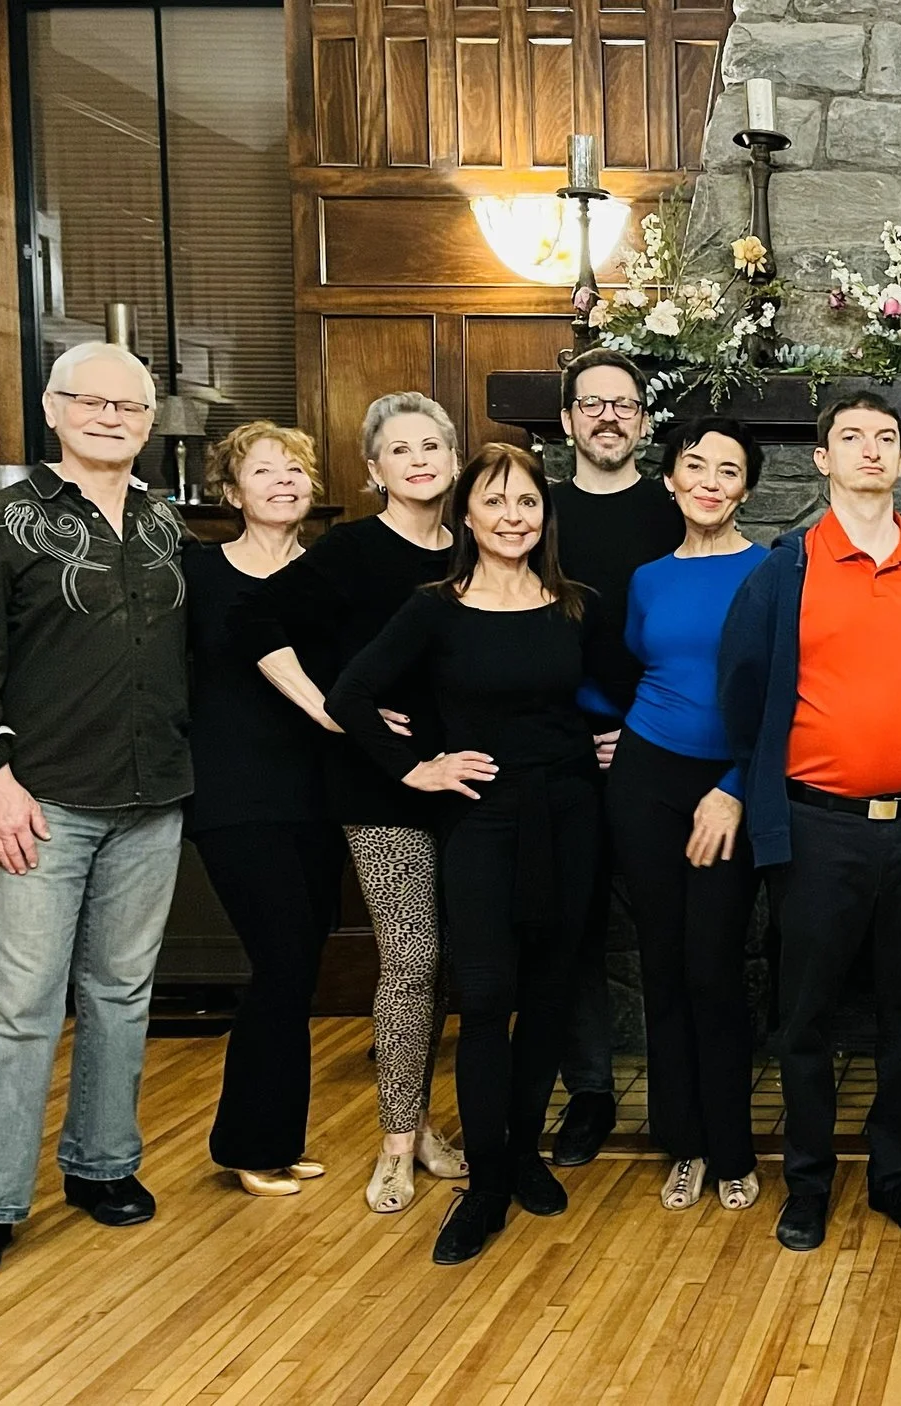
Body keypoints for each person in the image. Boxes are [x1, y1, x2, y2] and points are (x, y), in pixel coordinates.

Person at [0, 342, 191, 1286]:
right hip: (38, 802)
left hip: (152, 796)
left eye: (129, 406)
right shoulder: (2, 524)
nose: (110, 416)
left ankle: (101, 1166)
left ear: (149, 421)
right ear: (52, 408)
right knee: (19, 1009)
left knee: (121, 998)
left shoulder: (165, 524)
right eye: (90, 400)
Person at [718, 392, 901, 1254]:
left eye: (887, 438)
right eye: (852, 438)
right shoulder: (786, 567)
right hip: (817, 829)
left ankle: (895, 1176)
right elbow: (741, 690)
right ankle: (807, 1182)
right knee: (807, 1017)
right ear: (822, 460)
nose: (871, 450)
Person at [329, 443, 601, 1266]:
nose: (513, 517)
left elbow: (609, 693)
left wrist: (618, 735)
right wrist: (418, 768)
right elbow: (351, 695)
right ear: (467, 515)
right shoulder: (435, 607)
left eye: (527, 503)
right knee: (486, 997)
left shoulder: (576, 605)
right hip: (481, 819)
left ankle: (523, 1155)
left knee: (552, 994)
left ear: (544, 515)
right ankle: (485, 1183)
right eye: (496, 502)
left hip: (572, 814)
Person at [232, 393, 468, 1214]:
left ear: (453, 459)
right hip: (379, 790)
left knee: (451, 964)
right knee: (409, 959)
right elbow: (255, 621)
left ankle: (433, 1125)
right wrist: (331, 705)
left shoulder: (476, 546)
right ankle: (398, 1144)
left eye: (431, 445)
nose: (418, 460)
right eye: (398, 450)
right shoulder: (350, 551)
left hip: (471, 782)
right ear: (374, 471)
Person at [608, 417, 769, 1212]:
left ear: (746, 487)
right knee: (662, 967)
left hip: (727, 791)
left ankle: (733, 1148)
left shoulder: (771, 573)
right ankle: (686, 1144)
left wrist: (736, 784)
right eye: (694, 465)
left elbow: (785, 699)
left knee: (713, 967)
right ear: (669, 479)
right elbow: (633, 665)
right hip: (645, 780)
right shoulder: (646, 579)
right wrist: (608, 730)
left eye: (728, 469)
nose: (709, 480)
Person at [188, 423, 349, 1197]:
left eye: (295, 469)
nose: (283, 480)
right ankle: (249, 1143)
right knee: (282, 959)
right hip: (233, 798)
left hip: (316, 799)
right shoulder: (199, 574)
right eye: (263, 471)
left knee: (298, 967)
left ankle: (276, 1141)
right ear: (231, 493)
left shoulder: (325, 576)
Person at [547, 348, 686, 1167]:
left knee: (674, 930)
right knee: (572, 932)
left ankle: (683, 1100)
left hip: (661, 749)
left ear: (641, 421)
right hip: (562, 754)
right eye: (591, 404)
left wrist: (638, 729)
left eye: (623, 404)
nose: (607, 416)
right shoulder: (537, 512)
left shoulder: (676, 511)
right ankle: (590, 1093)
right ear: (567, 422)